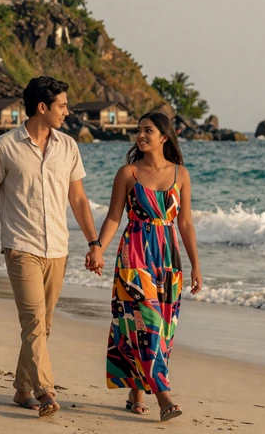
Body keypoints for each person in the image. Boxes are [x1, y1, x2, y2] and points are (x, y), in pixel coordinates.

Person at [0, 76, 101, 418]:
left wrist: (94, 243)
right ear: (42, 108)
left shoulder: (68, 147)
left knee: (43, 326)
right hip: (21, 246)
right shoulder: (4, 146)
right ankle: (46, 390)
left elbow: (78, 199)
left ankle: (21, 389)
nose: (67, 111)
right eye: (62, 105)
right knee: (33, 321)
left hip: (58, 248)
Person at [89, 112, 202, 422]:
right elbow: (114, 217)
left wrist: (195, 265)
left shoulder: (181, 175)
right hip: (134, 253)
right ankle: (164, 396)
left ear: (164, 137)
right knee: (145, 321)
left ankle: (136, 389)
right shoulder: (128, 173)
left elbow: (186, 223)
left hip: (168, 258)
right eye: (138, 130)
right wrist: (98, 247)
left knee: (163, 329)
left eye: (147, 130)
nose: (140, 135)